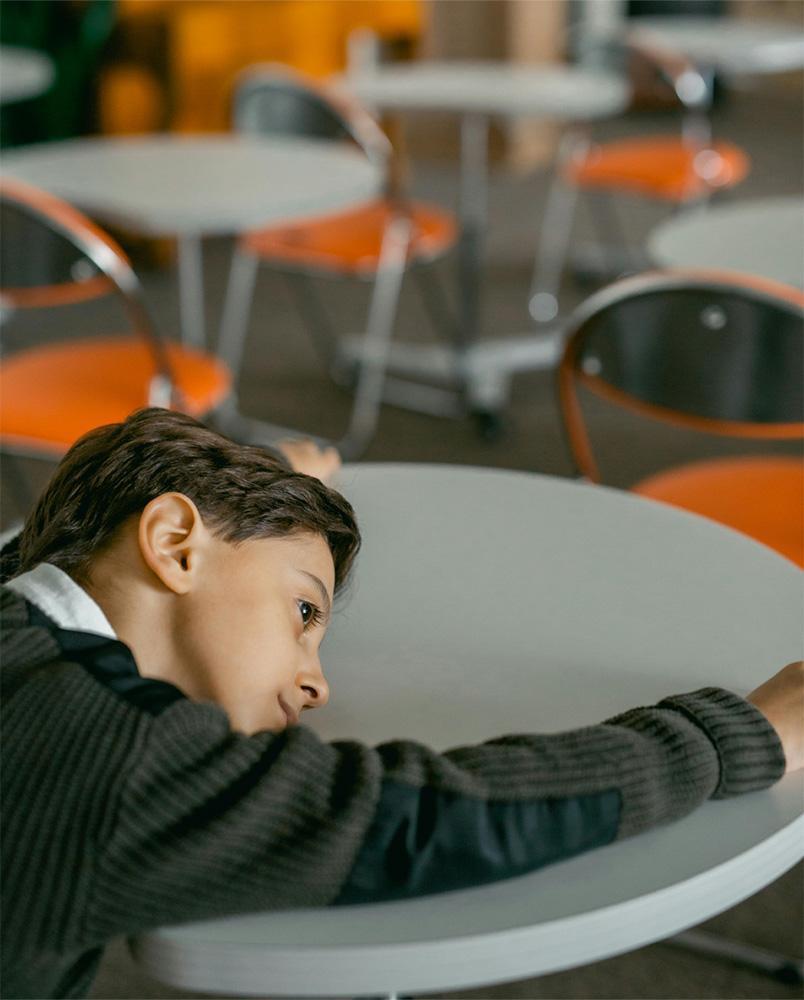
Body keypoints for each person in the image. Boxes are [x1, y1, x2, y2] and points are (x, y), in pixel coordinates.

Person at [1, 408, 800, 1000]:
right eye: (305, 613)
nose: (318, 684)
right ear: (174, 543)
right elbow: (424, 818)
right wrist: (739, 734)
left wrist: (259, 483)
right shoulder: (113, 752)